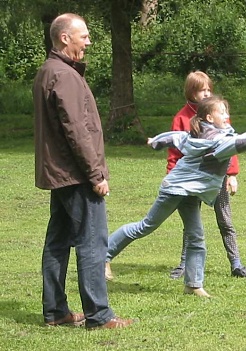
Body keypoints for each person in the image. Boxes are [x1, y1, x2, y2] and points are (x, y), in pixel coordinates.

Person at [105, 95, 246, 297]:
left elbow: (175, 137)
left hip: (192, 192)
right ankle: (103, 256)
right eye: (221, 112)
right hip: (175, 189)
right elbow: (245, 140)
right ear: (208, 117)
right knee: (145, 226)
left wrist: (155, 141)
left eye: (227, 111)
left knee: (196, 236)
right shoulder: (217, 143)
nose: (226, 115)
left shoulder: (199, 135)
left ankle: (193, 285)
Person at [33, 13, 134, 329]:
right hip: (75, 174)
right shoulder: (64, 76)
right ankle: (99, 316)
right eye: (84, 36)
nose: (88, 41)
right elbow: (77, 130)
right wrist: (96, 175)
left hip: (60, 174)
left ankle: (56, 312)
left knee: (58, 242)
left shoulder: (46, 72)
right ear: (65, 38)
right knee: (92, 242)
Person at [167, 71, 246, 279]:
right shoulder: (181, 118)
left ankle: (236, 264)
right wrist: (171, 176)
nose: (206, 94)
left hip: (218, 177)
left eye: (208, 89)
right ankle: (183, 265)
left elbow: (231, 144)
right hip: (192, 178)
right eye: (200, 90)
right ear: (191, 92)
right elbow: (174, 151)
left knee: (225, 220)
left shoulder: (218, 114)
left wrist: (232, 174)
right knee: (191, 223)